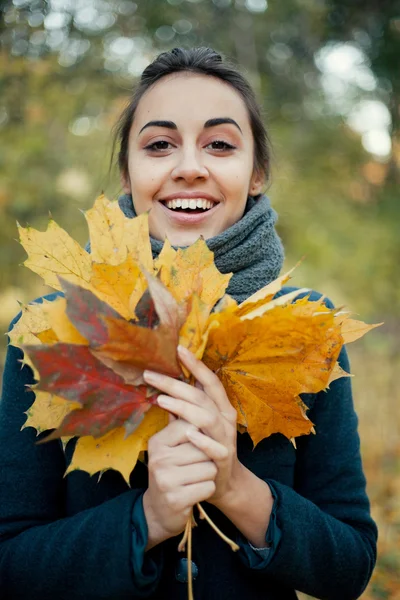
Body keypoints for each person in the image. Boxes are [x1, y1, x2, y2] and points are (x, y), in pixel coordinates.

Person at [0, 46, 377, 600]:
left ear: (257, 173)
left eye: (220, 144)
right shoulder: (47, 330)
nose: (189, 166)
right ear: (128, 176)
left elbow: (349, 566)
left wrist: (236, 489)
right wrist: (148, 518)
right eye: (159, 145)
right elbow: (10, 564)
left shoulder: (308, 329)